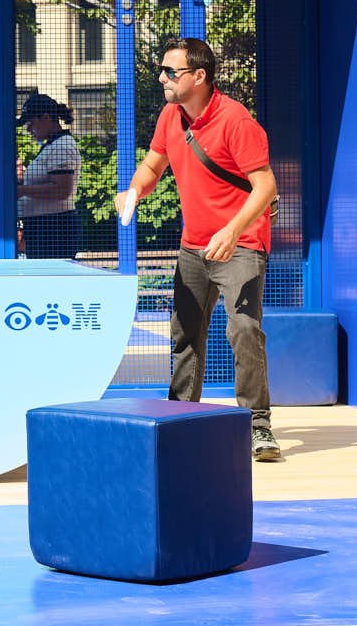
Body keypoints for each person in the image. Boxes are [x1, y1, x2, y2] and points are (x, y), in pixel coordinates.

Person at [115, 37, 283, 463]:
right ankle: (179, 417)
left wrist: (232, 231)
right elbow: (153, 164)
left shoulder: (236, 120)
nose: (162, 78)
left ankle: (257, 424)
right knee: (185, 333)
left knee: (243, 329)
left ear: (199, 76)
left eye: (171, 72)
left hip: (241, 243)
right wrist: (134, 191)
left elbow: (265, 186)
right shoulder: (170, 116)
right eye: (162, 70)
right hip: (193, 246)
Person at [16, 93, 81, 259]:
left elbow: (62, 190)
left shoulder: (62, 146)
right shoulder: (52, 145)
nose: (29, 129)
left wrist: (22, 190)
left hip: (54, 230)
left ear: (45, 118)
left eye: (31, 123)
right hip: (45, 229)